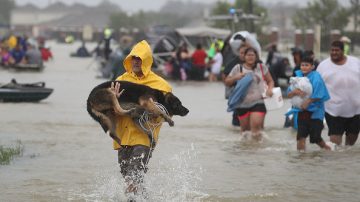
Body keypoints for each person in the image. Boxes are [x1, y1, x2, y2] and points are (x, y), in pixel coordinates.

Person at [112, 40, 172, 196]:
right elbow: (112, 111)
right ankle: (145, 198)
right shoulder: (121, 81)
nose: (136, 61)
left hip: (145, 138)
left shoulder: (160, 85)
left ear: (146, 60)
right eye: (134, 58)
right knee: (130, 179)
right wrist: (114, 100)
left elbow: (167, 113)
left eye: (140, 58)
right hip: (122, 138)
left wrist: (152, 107)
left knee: (133, 178)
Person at [225, 47, 274, 140]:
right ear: (244, 56)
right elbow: (227, 82)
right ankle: (246, 151)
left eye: (252, 55)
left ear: (256, 56)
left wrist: (269, 89)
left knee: (255, 129)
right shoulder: (238, 68)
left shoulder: (261, 67)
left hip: (258, 102)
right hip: (242, 104)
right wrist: (236, 77)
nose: (250, 57)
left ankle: (256, 151)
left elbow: (270, 81)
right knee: (245, 132)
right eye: (248, 55)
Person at [317, 40, 360, 146]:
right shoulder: (323, 66)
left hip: (356, 109)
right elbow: (316, 86)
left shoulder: (356, 62)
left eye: (337, 50)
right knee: (335, 144)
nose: (334, 52)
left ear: (343, 51)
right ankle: (334, 162)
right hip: (333, 110)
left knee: (350, 144)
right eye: (332, 50)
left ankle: (345, 163)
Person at [287, 56, 331, 151]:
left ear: (312, 67)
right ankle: (301, 159)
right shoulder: (296, 77)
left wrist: (309, 101)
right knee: (301, 136)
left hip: (316, 112)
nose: (304, 67)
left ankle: (328, 149)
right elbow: (289, 94)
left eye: (307, 65)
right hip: (302, 111)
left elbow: (320, 93)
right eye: (302, 65)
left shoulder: (317, 77)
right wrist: (295, 92)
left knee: (315, 138)